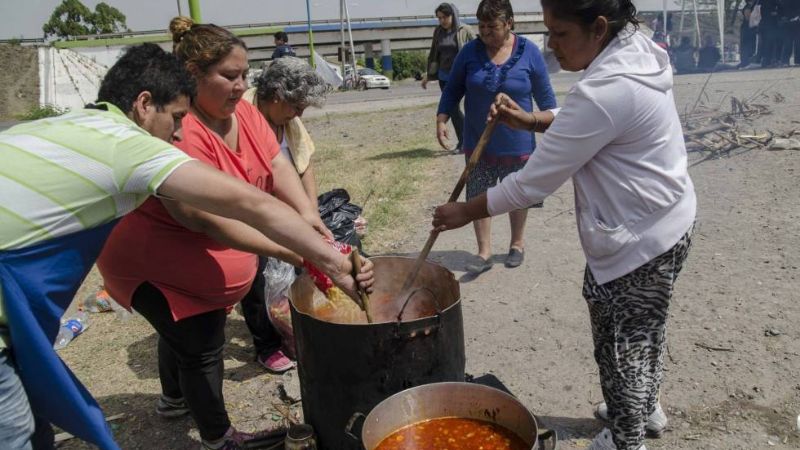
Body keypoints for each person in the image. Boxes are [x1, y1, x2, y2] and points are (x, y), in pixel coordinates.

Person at [0, 43, 372, 450]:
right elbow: (248, 203)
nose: (178, 132)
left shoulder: (67, 126)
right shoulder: (126, 145)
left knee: (34, 427)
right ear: (144, 105)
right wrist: (330, 261)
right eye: (176, 118)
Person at [432, 0, 696, 449]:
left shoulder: (609, 87)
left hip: (639, 241)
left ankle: (626, 439)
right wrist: (530, 118)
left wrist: (464, 212)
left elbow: (531, 183)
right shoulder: (632, 49)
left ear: (597, 27)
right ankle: (643, 406)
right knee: (646, 327)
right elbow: (583, 118)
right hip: (667, 220)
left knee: (622, 344)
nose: (550, 45)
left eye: (559, 33)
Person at [436, 0, 556, 273]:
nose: (486, 32)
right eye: (482, 26)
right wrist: (442, 118)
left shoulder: (529, 52)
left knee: (518, 194)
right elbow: (453, 89)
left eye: (493, 26)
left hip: (519, 141)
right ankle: (484, 250)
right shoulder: (469, 52)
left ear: (509, 23)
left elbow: (546, 97)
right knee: (479, 192)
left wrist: (551, 125)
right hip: (478, 139)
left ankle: (517, 243)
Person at [239, 56, 330, 372]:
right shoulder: (242, 116)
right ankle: (265, 346)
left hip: (285, 210)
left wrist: (312, 213)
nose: (300, 114)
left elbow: (303, 164)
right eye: (297, 106)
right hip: (251, 210)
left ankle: (292, 332)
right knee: (255, 276)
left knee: (291, 276)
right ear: (276, 97)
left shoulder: (288, 120)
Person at [423, 2, 475, 153]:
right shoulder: (438, 32)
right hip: (445, 77)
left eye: (445, 17)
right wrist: (429, 75)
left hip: (463, 76)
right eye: (439, 18)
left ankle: (470, 140)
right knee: (452, 109)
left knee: (471, 107)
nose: (442, 21)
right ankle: (465, 142)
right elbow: (434, 54)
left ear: (453, 15)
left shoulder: (464, 30)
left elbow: (477, 49)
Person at [739, 1, 758, 68]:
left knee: (749, 46)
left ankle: (747, 62)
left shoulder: (750, 6)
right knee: (746, 46)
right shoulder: (748, 7)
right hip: (747, 29)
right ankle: (745, 62)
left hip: (749, 28)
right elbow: (748, 18)